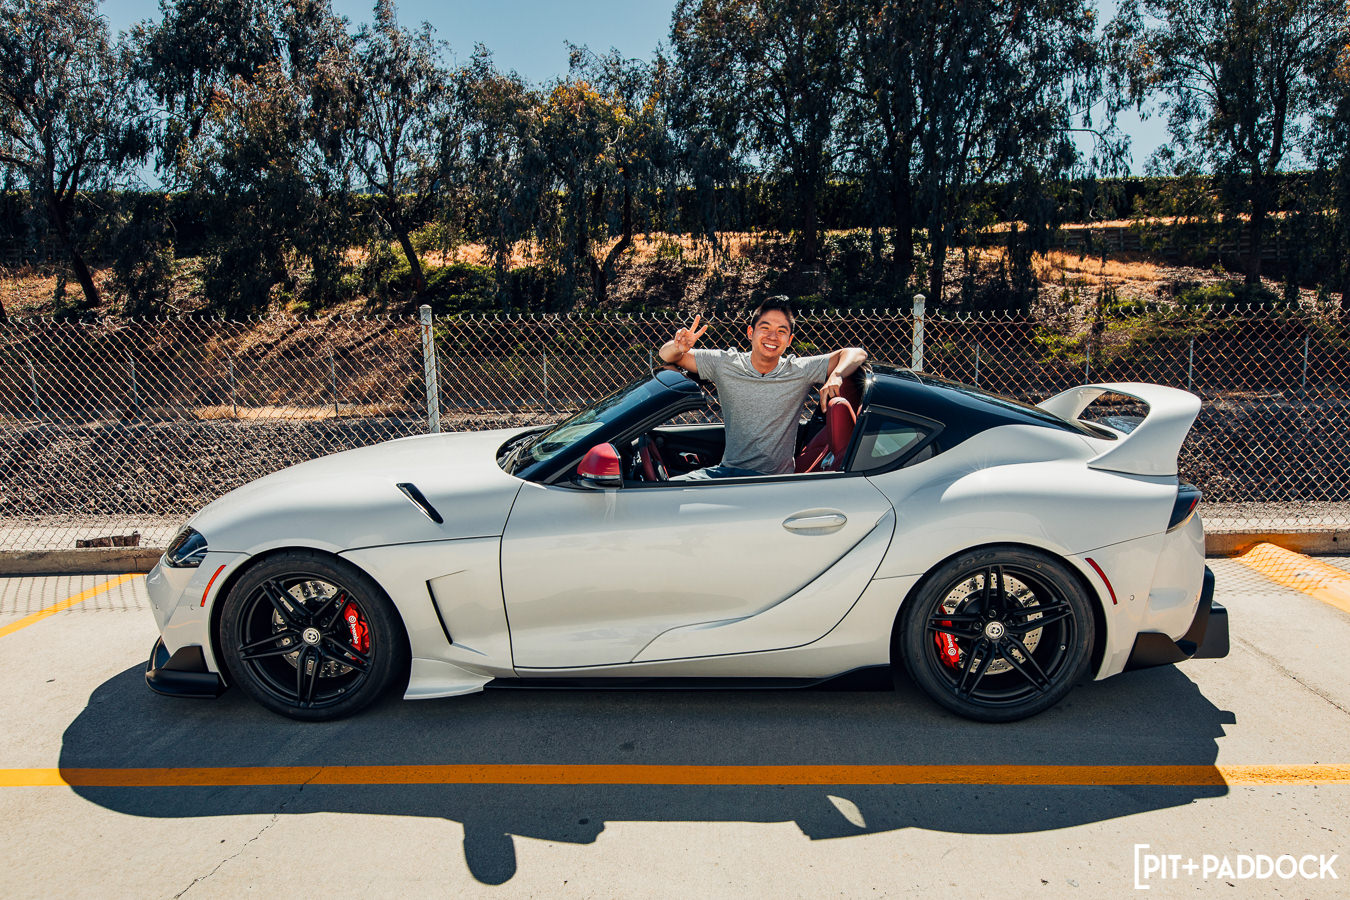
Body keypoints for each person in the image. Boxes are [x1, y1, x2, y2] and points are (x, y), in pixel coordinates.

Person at [656, 297, 868, 478]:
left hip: (771, 484)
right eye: (765, 328)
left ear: (789, 340)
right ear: (750, 332)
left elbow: (857, 353)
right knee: (666, 492)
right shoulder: (725, 363)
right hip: (727, 474)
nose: (772, 337)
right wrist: (677, 346)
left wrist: (836, 375)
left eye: (781, 331)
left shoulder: (799, 370)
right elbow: (667, 356)